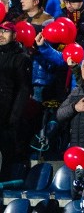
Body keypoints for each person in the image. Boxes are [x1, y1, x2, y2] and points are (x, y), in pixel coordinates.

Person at [0, 21, 31, 179]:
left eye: (5, 32)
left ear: (14, 35)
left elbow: (24, 89)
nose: (1, 35)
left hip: (9, 112)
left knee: (8, 151)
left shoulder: (21, 58)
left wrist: (14, 116)